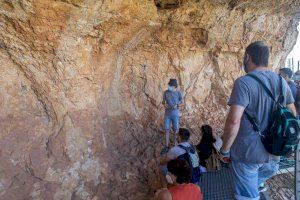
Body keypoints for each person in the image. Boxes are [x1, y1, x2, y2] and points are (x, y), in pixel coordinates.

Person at [220, 41, 296, 200]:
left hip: (248, 154)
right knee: (256, 182)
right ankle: (257, 186)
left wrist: (225, 149)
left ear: (248, 57)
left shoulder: (243, 82)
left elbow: (234, 120)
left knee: (247, 195)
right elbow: (292, 113)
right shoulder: (282, 82)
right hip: (274, 153)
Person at [162, 79, 183, 153]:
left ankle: (174, 145)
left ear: (174, 86)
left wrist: (177, 105)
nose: (169, 86)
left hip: (175, 114)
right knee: (166, 129)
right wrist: (165, 105)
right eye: (169, 85)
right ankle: (166, 146)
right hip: (167, 114)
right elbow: (163, 102)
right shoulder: (166, 92)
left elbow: (181, 101)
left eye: (170, 85)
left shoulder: (178, 92)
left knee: (175, 130)